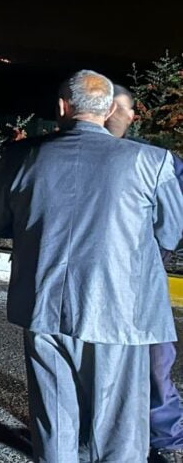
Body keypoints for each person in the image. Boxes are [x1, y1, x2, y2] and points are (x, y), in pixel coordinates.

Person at [0, 70, 183, 462]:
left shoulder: (22, 156)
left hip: (44, 303)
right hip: (123, 313)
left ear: (62, 107)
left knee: (54, 419)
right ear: (110, 109)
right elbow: (171, 233)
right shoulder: (153, 162)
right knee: (119, 428)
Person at [107, 84, 183, 463]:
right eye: (122, 108)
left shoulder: (151, 160)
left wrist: (148, 263)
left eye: (129, 109)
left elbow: (171, 226)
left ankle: (165, 435)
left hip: (139, 282)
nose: (129, 115)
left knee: (155, 361)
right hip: (101, 283)